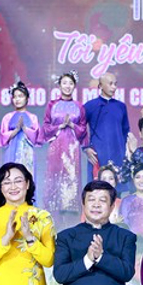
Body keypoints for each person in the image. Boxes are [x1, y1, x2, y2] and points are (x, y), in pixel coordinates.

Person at [42, 71, 88, 216]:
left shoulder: (79, 106)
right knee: (54, 176)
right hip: (56, 145)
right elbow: (46, 126)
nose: (67, 86)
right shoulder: (52, 105)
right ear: (59, 85)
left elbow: (83, 129)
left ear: (74, 86)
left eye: (70, 83)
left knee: (71, 178)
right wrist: (60, 126)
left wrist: (72, 125)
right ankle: (52, 212)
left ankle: (70, 213)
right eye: (64, 83)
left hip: (72, 147)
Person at [83, 72, 131, 183]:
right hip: (98, 154)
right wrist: (86, 148)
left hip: (118, 154)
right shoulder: (90, 106)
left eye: (115, 84)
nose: (114, 87)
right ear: (100, 85)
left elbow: (126, 130)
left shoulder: (121, 106)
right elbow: (80, 129)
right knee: (97, 186)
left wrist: (126, 151)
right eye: (110, 84)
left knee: (118, 187)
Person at [0, 81, 41, 174]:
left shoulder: (33, 117)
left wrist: (24, 128)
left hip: (27, 151)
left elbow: (36, 138)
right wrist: (16, 130)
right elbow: (3, 137)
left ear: (27, 98)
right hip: (11, 150)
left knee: (27, 174)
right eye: (15, 97)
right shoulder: (7, 117)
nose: (17, 99)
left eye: (20, 96)